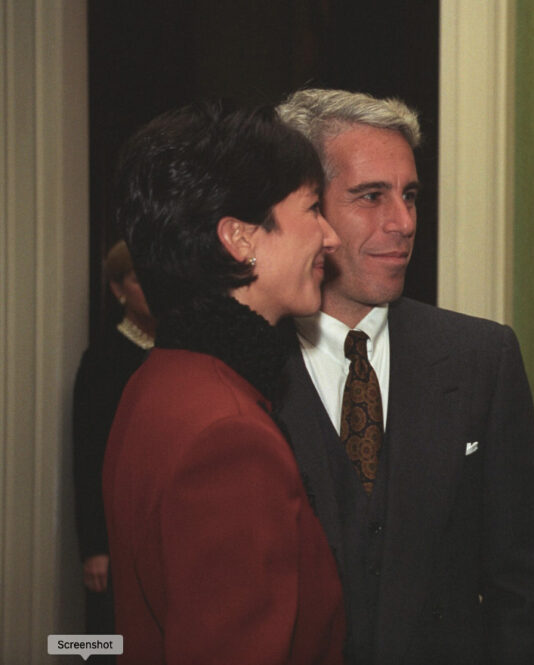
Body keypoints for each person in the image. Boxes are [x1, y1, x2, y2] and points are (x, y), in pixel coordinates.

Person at [275, 89, 534, 665]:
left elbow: (523, 583)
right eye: (370, 196)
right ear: (307, 208)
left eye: (409, 196)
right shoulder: (243, 370)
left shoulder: (481, 357)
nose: (403, 223)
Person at [102, 102, 345, 664]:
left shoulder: (160, 380)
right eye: (313, 208)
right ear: (240, 238)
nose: (330, 237)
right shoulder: (228, 436)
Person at [72, 240, 155, 656]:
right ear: (118, 289)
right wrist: (94, 549)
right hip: (116, 531)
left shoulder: (181, 350)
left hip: (163, 526)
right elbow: (87, 455)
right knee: (109, 643)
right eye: (139, 280)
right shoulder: (102, 359)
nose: (151, 289)